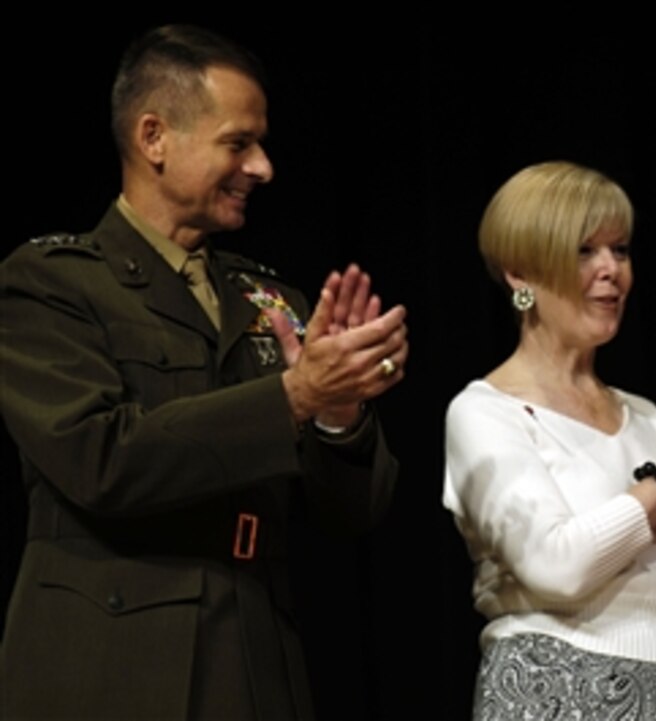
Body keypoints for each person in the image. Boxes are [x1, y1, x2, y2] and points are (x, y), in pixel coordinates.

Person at [0, 24, 407, 719]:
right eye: (238, 143)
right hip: (114, 661)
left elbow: (351, 514)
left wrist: (338, 411)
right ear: (154, 137)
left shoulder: (267, 299)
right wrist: (292, 396)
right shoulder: (48, 283)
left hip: (254, 653)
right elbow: (103, 459)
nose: (263, 168)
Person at [444, 161, 656, 720]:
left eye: (619, 251)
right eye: (583, 252)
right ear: (521, 273)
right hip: (552, 690)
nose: (610, 271)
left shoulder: (648, 420)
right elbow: (557, 566)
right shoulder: (485, 412)